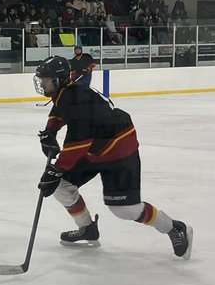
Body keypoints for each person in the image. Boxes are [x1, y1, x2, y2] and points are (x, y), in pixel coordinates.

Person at [35, 55, 192, 258]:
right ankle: (88, 229)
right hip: (96, 149)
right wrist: (50, 131)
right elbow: (60, 112)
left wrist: (58, 169)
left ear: (58, 79)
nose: (42, 84)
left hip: (119, 151)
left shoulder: (76, 98)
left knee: (126, 210)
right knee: (61, 187)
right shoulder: (67, 94)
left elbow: (79, 141)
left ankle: (174, 228)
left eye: (46, 80)